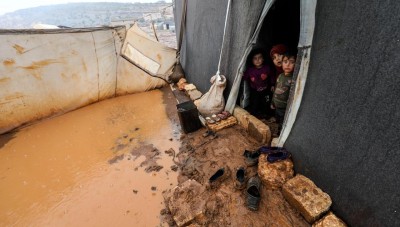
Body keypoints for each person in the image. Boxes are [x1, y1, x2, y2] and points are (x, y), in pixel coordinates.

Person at [271, 51, 296, 135]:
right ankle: (277, 125)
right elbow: (276, 89)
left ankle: (279, 133)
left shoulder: (293, 79)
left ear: (296, 64)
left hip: (284, 107)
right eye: (285, 62)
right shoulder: (280, 76)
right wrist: (273, 102)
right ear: (282, 64)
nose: (288, 65)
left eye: (292, 62)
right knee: (278, 117)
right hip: (277, 104)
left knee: (283, 121)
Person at [242, 48, 273, 118]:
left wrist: (273, 85)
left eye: (259, 58)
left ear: (263, 59)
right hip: (254, 90)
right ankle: (254, 115)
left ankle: (266, 115)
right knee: (254, 103)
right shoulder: (250, 70)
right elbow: (244, 77)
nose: (257, 60)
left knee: (265, 103)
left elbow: (272, 76)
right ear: (252, 60)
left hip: (265, 89)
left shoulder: (267, 68)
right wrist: (241, 75)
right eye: (255, 58)